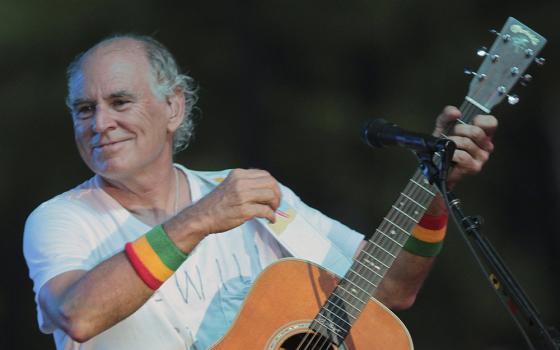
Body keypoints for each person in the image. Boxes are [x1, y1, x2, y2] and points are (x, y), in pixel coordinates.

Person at [23, 34, 498, 349]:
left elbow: (390, 289)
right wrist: (199, 219)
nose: (100, 123)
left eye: (119, 101)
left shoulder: (254, 194)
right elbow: (78, 317)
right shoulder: (61, 218)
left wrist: (434, 189)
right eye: (84, 109)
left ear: (173, 108)